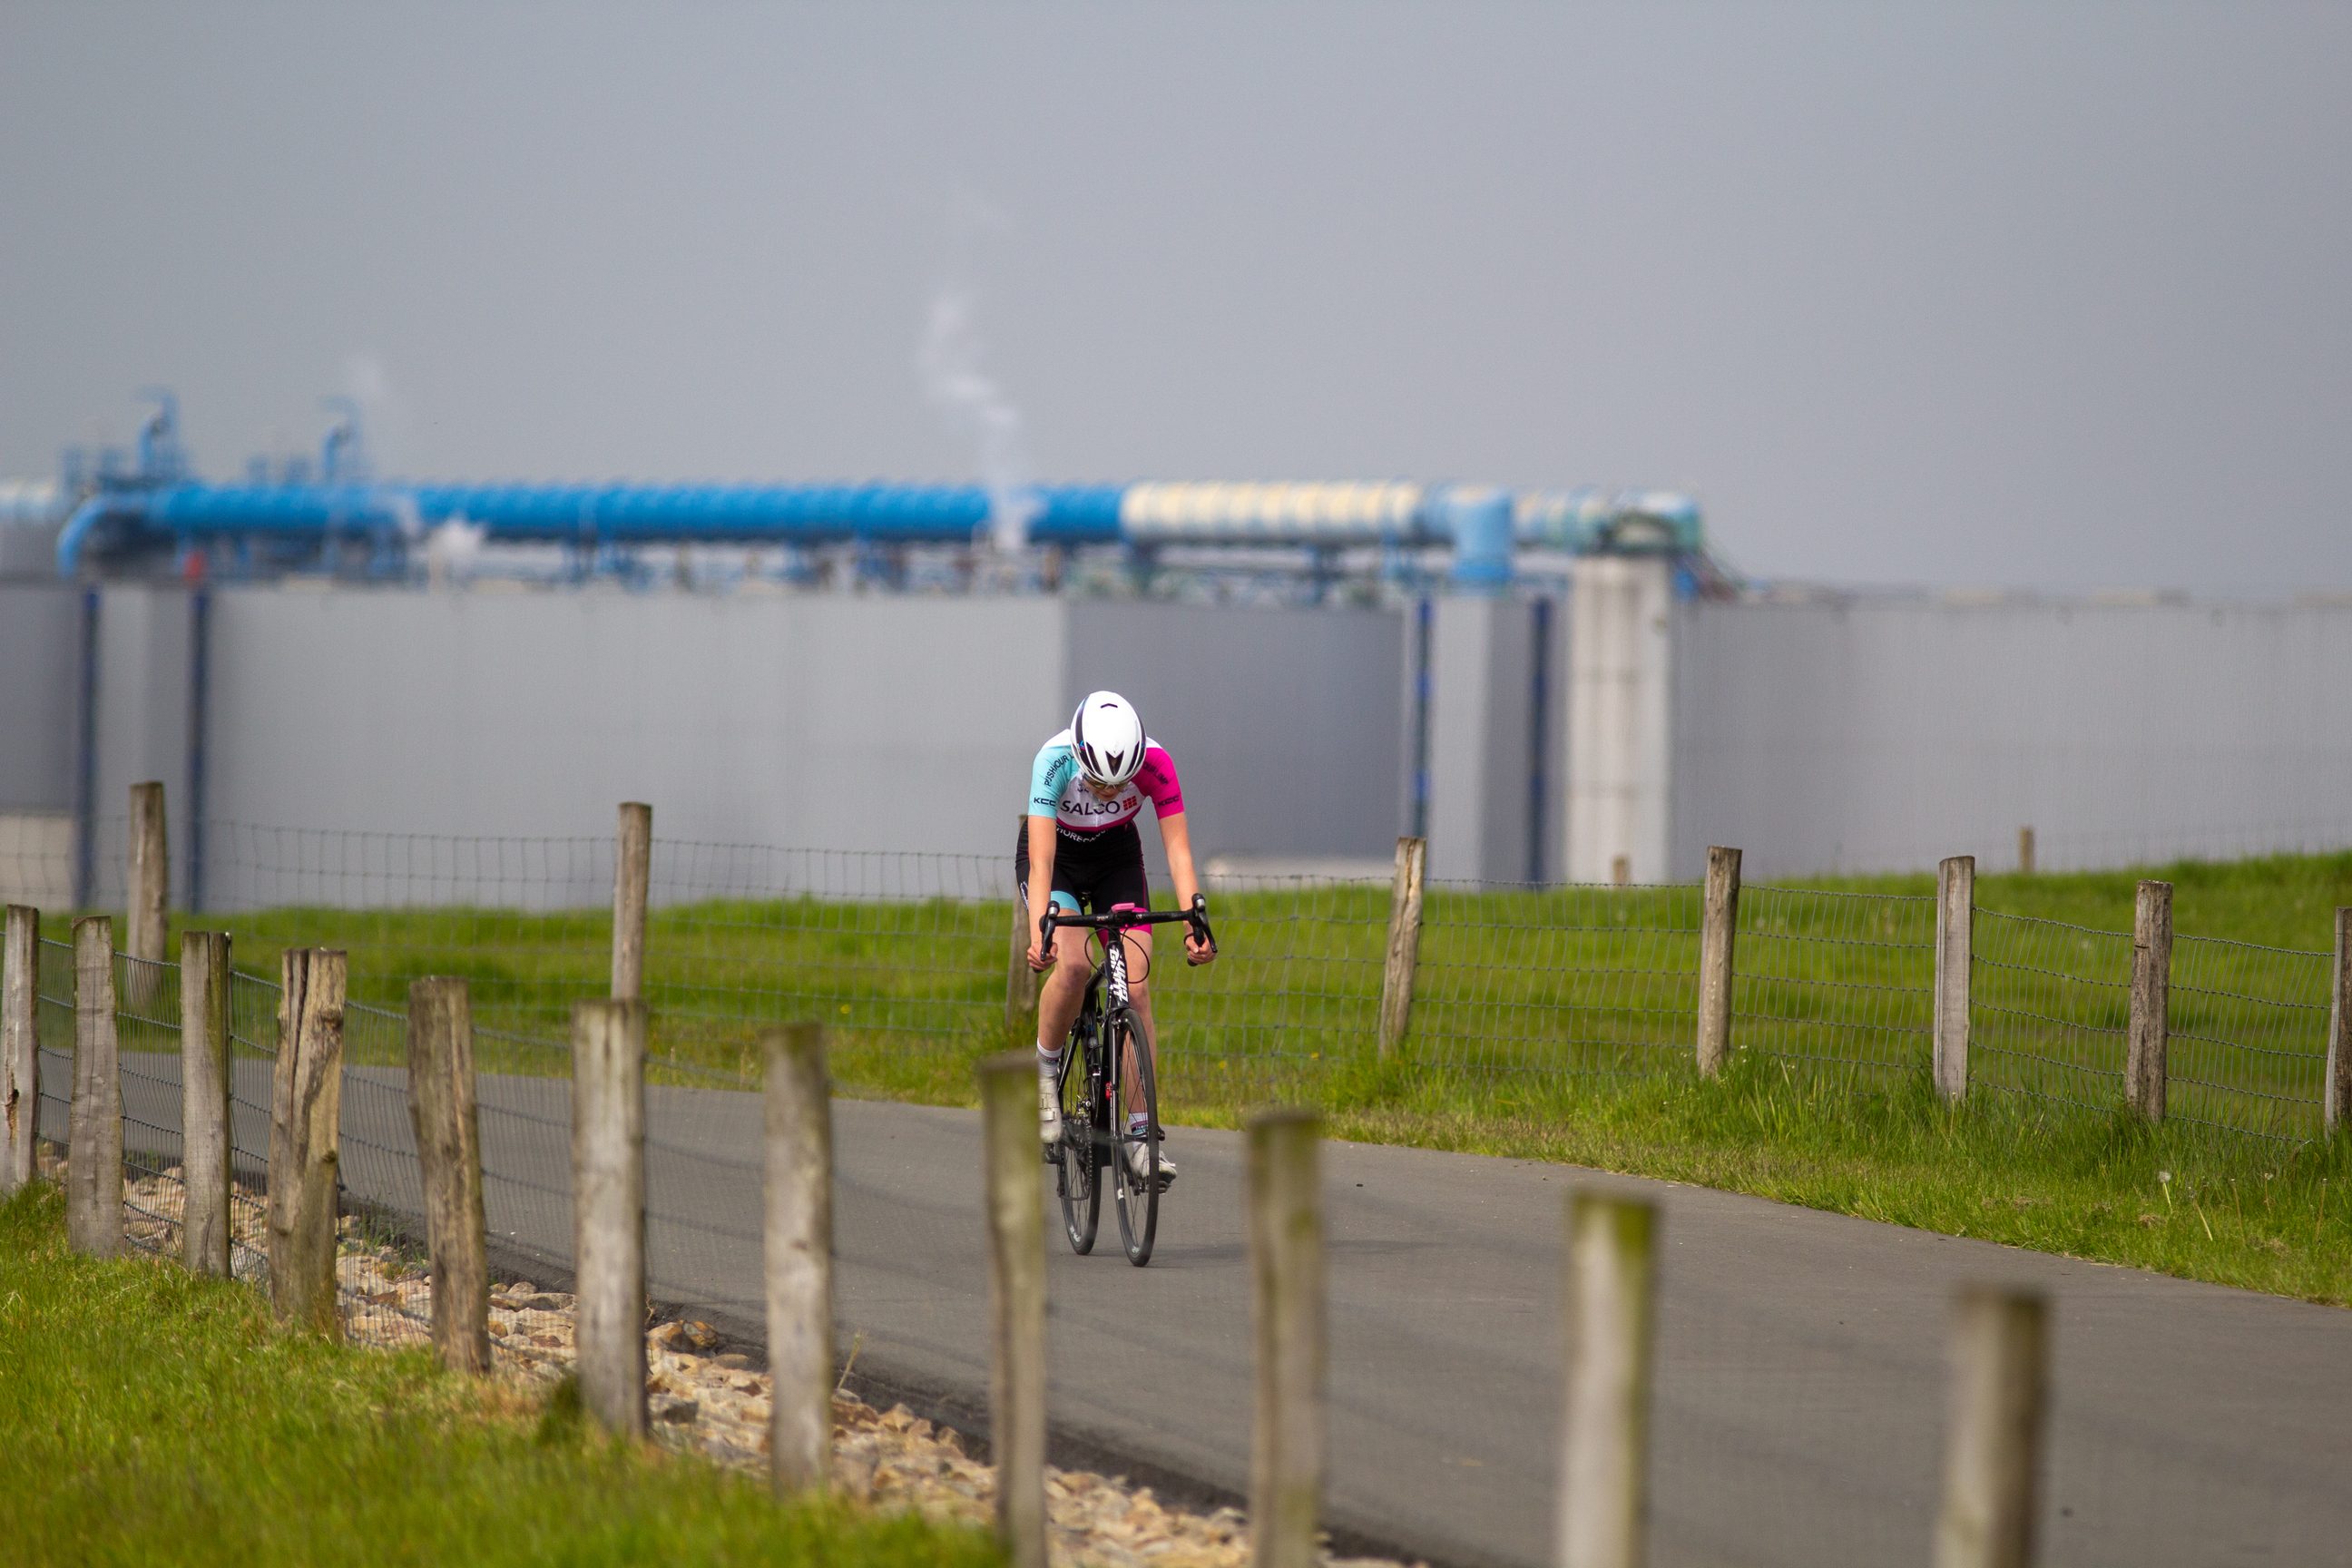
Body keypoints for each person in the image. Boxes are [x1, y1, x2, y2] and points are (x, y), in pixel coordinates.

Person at [1019, 690, 1214, 1188]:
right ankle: (1045, 1074)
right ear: (1080, 757)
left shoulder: (1157, 763)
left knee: (1138, 985)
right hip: (1059, 859)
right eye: (1099, 785)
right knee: (1075, 966)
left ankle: (1140, 1138)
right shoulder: (1053, 760)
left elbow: (1179, 852)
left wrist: (1197, 920)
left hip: (1118, 860)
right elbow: (1040, 862)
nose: (1109, 795)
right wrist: (1044, 929)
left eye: (1120, 785)